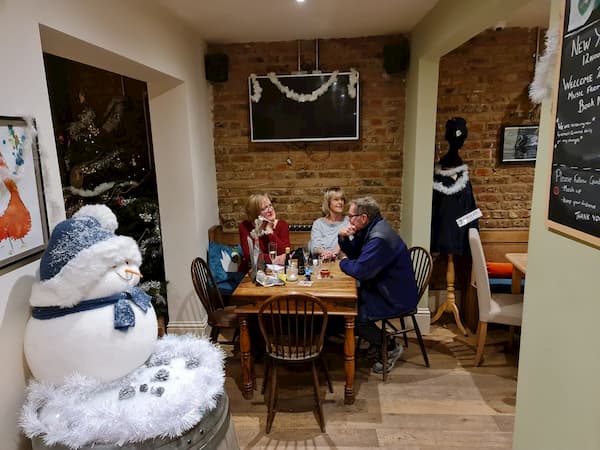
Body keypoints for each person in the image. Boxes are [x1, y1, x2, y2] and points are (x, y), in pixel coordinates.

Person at [337, 196, 417, 374]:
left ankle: (389, 347)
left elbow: (360, 270)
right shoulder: (371, 229)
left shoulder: (378, 238)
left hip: (395, 295)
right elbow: (356, 253)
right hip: (384, 287)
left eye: (351, 216)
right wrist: (343, 238)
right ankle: (376, 342)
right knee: (347, 307)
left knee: (355, 317)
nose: (348, 220)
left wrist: (342, 262)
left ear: (363, 218)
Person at [431, 117, 479, 256]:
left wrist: (466, 228)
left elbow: (470, 208)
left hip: (460, 235)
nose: (459, 142)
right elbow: (434, 210)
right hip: (441, 235)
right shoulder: (438, 177)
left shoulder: (463, 178)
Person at [239, 193, 290, 272]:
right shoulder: (245, 226)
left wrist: (270, 231)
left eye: (270, 205)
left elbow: (285, 252)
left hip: (277, 272)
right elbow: (250, 255)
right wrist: (274, 259)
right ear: (255, 214)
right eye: (264, 209)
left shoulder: (282, 225)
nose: (270, 210)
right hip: (251, 272)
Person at [310, 187, 349, 260]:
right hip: (323, 262)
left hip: (343, 261)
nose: (340, 202)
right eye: (336, 199)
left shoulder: (349, 221)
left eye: (342, 199)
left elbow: (350, 243)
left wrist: (335, 252)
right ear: (328, 203)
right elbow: (315, 246)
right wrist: (324, 252)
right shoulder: (318, 223)